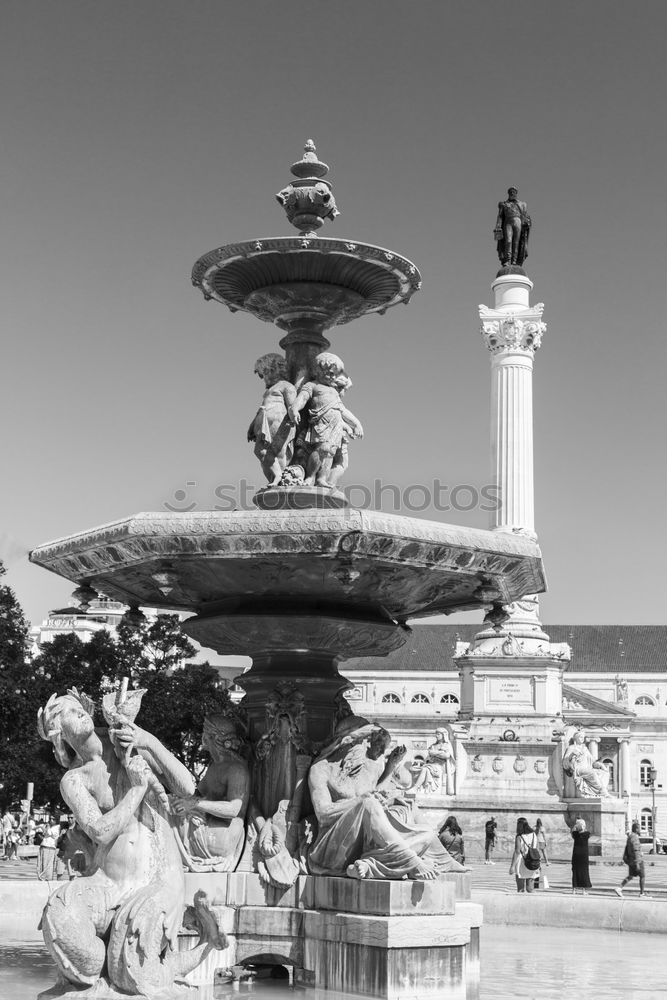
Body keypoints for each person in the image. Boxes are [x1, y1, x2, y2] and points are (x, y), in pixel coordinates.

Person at [37, 687, 227, 996]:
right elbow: (99, 831)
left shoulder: (123, 738)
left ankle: (205, 942)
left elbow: (188, 786)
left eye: (78, 707)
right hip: (105, 882)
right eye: (68, 713)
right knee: (59, 912)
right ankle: (98, 976)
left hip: (154, 877)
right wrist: (137, 790)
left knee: (130, 964)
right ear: (58, 734)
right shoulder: (73, 779)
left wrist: (146, 739)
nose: (80, 713)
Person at [308, 715, 469, 880]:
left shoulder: (368, 768)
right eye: (365, 743)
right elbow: (323, 813)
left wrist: (387, 793)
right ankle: (410, 861)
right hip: (335, 845)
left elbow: (374, 796)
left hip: (365, 839)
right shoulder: (321, 769)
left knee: (420, 824)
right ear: (348, 742)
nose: (369, 749)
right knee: (368, 804)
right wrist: (362, 801)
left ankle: (372, 865)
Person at [562, 730, 610, 797]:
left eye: (583, 737)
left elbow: (592, 762)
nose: (582, 739)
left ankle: (599, 791)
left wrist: (600, 765)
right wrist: (572, 754)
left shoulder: (585, 749)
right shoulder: (572, 747)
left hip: (586, 768)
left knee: (603, 772)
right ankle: (602, 791)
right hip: (578, 769)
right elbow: (565, 762)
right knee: (592, 773)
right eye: (580, 737)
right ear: (576, 738)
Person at [494, 187, 531, 268]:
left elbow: (525, 216)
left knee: (516, 242)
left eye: (514, 192)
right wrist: (498, 226)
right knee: (508, 241)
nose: (512, 193)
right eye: (511, 192)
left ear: (516, 193)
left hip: (518, 221)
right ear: (508, 193)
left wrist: (527, 222)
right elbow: (500, 216)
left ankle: (514, 261)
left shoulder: (522, 204)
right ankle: (507, 260)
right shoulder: (503, 204)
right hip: (508, 222)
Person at [615, 822, 650, 898]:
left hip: (631, 861)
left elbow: (628, 848)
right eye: (639, 828)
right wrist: (637, 863)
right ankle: (642, 893)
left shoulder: (630, 837)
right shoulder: (635, 838)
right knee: (642, 876)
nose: (640, 830)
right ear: (636, 829)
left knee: (630, 876)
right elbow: (636, 850)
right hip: (637, 861)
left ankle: (619, 888)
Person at [509, 817, 540, 893]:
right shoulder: (533, 834)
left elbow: (517, 851)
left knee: (520, 889)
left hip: (521, 863)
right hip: (533, 862)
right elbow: (537, 849)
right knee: (530, 889)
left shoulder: (519, 836)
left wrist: (512, 866)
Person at [571, 818, 591, 895]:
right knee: (584, 871)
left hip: (576, 854)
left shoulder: (575, 834)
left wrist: (576, 826)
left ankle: (574, 890)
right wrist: (581, 826)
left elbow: (573, 832)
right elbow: (585, 830)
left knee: (575, 871)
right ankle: (583, 890)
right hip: (584, 855)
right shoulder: (587, 834)